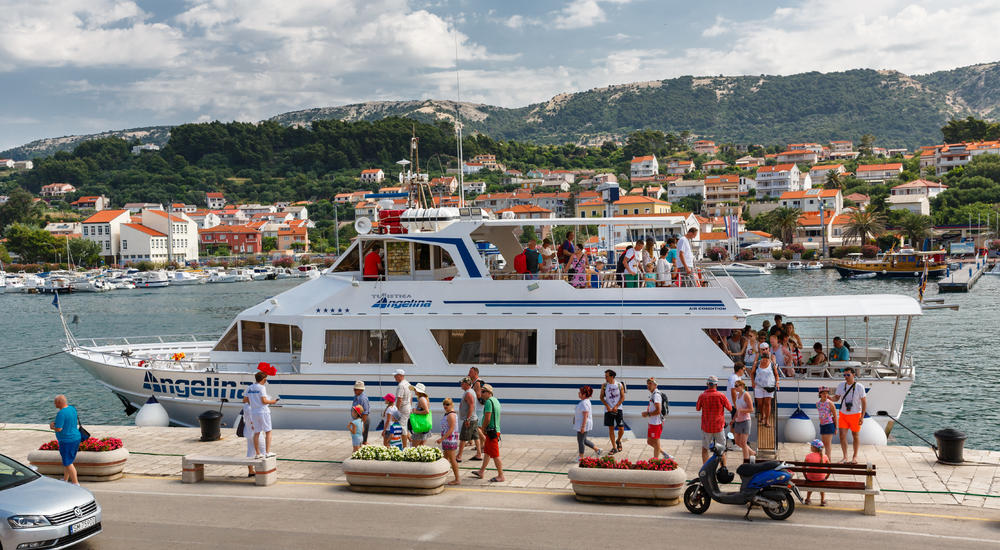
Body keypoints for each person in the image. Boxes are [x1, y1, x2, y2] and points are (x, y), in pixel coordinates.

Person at [833, 367, 866, 463]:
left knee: (855, 435)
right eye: (844, 375)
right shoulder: (841, 385)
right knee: (842, 436)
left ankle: (855, 456)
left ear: (853, 375)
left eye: (848, 375)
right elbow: (836, 398)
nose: (846, 377)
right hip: (843, 414)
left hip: (855, 414)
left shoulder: (860, 387)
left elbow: (864, 402)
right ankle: (845, 457)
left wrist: (862, 417)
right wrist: (829, 398)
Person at [696, 376, 732, 465]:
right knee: (722, 449)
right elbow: (730, 408)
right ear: (716, 385)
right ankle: (723, 469)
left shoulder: (702, 396)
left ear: (708, 384)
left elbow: (697, 408)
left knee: (705, 449)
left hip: (706, 427)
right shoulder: (721, 396)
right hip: (718, 426)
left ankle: (705, 468)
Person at [472, 384, 504, 483]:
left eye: (483, 391)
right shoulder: (496, 401)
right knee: (487, 452)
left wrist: (483, 429)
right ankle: (481, 471)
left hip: (491, 431)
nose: (481, 393)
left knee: (495, 455)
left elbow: (487, 417)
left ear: (489, 393)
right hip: (495, 430)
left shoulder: (488, 402)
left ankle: (501, 475)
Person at [245, 370, 279, 458]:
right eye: (265, 380)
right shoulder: (261, 387)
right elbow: (264, 401)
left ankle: (258, 453)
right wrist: (273, 401)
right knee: (268, 431)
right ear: (263, 379)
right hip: (263, 412)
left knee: (257, 432)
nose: (266, 381)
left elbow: (245, 400)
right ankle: (267, 452)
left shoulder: (249, 387)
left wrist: (253, 403)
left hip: (254, 412)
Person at [49, 395, 81, 485]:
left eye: (55, 402)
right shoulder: (72, 408)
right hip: (76, 437)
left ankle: (76, 483)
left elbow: (59, 428)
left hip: (67, 440)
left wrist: (52, 427)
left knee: (67, 462)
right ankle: (65, 479)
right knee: (67, 460)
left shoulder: (61, 413)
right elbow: (69, 421)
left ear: (59, 403)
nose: (54, 404)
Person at [600, 369, 626, 454]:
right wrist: (607, 406)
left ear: (612, 376)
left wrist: (616, 406)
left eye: (606, 376)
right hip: (608, 410)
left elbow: (622, 397)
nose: (605, 378)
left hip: (618, 409)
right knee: (611, 428)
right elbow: (601, 397)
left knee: (621, 428)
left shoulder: (619, 385)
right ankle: (614, 447)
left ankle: (618, 440)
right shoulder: (604, 385)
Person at [752, 344, 778, 427]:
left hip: (769, 386)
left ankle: (766, 420)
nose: (764, 350)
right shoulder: (757, 362)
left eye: (766, 349)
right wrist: (753, 382)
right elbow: (752, 373)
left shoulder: (772, 361)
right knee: (760, 404)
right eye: (762, 349)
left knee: (767, 403)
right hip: (759, 386)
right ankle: (762, 415)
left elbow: (776, 374)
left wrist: (777, 382)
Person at [640, 378, 666, 459]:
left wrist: (647, 413)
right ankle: (664, 454)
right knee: (650, 441)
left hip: (656, 422)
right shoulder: (653, 394)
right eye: (647, 384)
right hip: (652, 421)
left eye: (650, 384)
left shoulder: (656, 395)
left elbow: (658, 410)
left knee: (656, 440)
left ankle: (655, 460)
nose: (648, 385)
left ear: (655, 385)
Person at [436, 398, 461, 485]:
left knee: (452, 460)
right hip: (447, 439)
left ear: (451, 405)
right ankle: (442, 476)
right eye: (444, 404)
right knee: (445, 459)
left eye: (447, 404)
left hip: (450, 440)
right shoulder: (448, 414)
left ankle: (457, 479)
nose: (445, 406)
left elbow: (451, 429)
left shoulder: (451, 415)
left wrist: (441, 439)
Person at [574, 385, 602, 460]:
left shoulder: (584, 403)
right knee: (584, 440)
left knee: (580, 441)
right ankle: (597, 450)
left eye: (580, 392)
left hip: (583, 425)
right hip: (583, 424)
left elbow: (585, 415)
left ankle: (581, 457)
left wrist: (582, 427)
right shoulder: (585, 401)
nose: (578, 394)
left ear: (584, 394)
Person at [458, 377, 481, 462]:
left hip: (470, 420)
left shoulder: (468, 393)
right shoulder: (470, 392)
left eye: (462, 383)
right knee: (476, 437)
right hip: (473, 418)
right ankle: (479, 454)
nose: (461, 384)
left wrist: (467, 419)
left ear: (467, 384)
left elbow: (471, 406)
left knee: (463, 438)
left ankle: (459, 456)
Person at [731, 381, 755, 461]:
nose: (735, 387)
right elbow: (737, 410)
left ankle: (746, 461)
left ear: (742, 386)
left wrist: (741, 410)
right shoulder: (737, 395)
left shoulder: (746, 395)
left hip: (745, 421)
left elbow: (751, 409)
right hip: (738, 421)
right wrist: (733, 420)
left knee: (743, 443)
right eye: (735, 386)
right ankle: (752, 453)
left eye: (736, 386)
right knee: (737, 442)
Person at [803, 439, 831, 506]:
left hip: (810, 478)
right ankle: (822, 501)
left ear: (814, 448)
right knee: (822, 486)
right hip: (821, 478)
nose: (810, 447)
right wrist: (826, 477)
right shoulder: (825, 456)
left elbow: (803, 468)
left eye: (811, 446)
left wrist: (806, 477)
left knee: (811, 484)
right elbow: (830, 468)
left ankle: (807, 499)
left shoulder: (808, 456)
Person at [816, 387, 837, 460]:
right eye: (823, 393)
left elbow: (835, 416)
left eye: (826, 393)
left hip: (829, 424)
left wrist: (836, 427)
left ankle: (828, 460)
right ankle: (823, 459)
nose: (825, 395)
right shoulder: (818, 404)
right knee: (823, 443)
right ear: (820, 394)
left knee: (827, 444)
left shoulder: (830, 403)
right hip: (822, 425)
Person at [393, 369, 413, 447]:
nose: (394, 377)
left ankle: (404, 447)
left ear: (400, 376)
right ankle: (411, 441)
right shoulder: (408, 384)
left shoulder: (401, 385)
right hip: (408, 407)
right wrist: (410, 406)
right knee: (405, 426)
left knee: (402, 427)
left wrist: (396, 411)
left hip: (403, 408)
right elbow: (411, 397)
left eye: (396, 375)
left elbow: (399, 399)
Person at [352, 380, 370, 445]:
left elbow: (365, 412)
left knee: (361, 438)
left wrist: (361, 424)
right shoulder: (357, 396)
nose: (354, 390)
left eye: (355, 389)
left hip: (363, 418)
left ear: (360, 390)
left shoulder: (362, 398)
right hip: (358, 419)